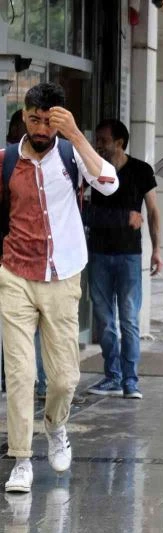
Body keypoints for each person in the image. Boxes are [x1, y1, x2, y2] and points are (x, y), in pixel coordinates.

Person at [0, 82, 119, 493]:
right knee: (18, 374)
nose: (40, 128)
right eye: (34, 119)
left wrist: (76, 135)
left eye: (49, 121)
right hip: (15, 275)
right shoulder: (6, 161)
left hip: (63, 276)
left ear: (59, 120)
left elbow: (109, 184)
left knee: (65, 379)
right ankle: (21, 459)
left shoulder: (71, 155)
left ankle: (55, 426)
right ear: (24, 118)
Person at [85, 119, 162, 400]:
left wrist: (157, 250)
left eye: (103, 140)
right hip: (99, 254)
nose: (98, 146)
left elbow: (152, 212)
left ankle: (131, 381)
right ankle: (113, 376)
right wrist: (122, 218)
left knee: (129, 320)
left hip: (130, 256)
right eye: (97, 140)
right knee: (105, 321)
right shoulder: (91, 170)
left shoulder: (141, 170)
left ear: (119, 142)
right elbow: (84, 212)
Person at [5, 110, 47, 401]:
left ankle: (37, 382)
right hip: (11, 262)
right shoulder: (8, 164)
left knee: (33, 335)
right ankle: (26, 382)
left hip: (31, 266)